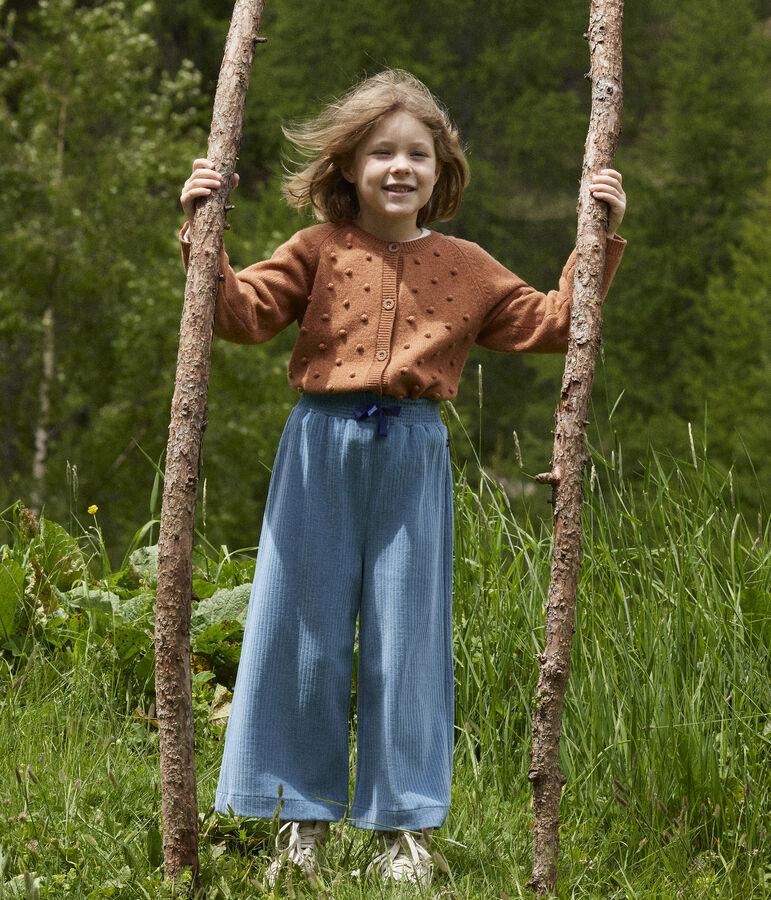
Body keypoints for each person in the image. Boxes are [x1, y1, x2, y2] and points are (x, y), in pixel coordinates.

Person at [179, 68, 626, 886]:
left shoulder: (466, 264)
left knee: (405, 637)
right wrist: (204, 232)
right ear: (347, 166)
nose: (398, 167)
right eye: (380, 151)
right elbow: (240, 316)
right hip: (318, 444)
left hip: (412, 452)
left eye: (415, 154)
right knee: (300, 632)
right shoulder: (317, 249)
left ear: (440, 169)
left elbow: (556, 323)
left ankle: (402, 830)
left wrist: (596, 236)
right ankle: (296, 818)